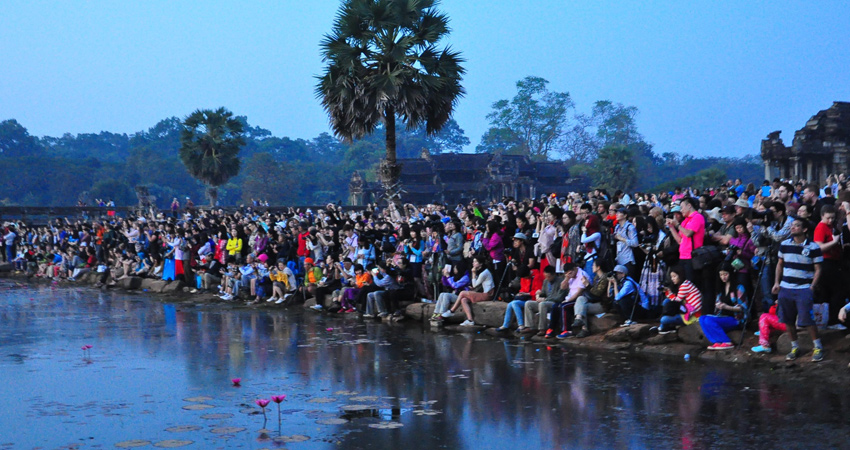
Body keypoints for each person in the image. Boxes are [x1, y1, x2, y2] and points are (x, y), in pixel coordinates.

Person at [772, 218, 824, 362]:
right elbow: (779, 264)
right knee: (787, 320)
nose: (793, 228)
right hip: (785, 288)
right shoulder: (784, 244)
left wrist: (812, 286)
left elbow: (818, 268)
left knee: (807, 319)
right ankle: (794, 347)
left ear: (805, 229)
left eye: (796, 226)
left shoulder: (813, 247)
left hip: (803, 288)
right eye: (792, 226)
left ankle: (818, 347)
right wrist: (777, 282)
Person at [699, 262, 748, 350]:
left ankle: (726, 341)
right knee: (702, 318)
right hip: (722, 316)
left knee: (708, 320)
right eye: (721, 275)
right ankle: (717, 341)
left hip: (736, 319)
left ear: (730, 273)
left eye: (725, 274)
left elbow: (743, 308)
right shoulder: (721, 288)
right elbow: (718, 304)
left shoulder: (738, 287)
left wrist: (727, 307)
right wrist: (718, 305)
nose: (723, 277)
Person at [445, 255, 494, 326]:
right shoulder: (480, 271)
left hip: (487, 295)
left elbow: (475, 285)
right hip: (483, 293)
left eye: (475, 262)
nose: (473, 263)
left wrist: (473, 273)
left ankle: (452, 311)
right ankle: (470, 320)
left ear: (481, 264)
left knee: (462, 293)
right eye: (473, 261)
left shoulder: (484, 273)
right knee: (463, 300)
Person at [522, 265, 567, 335]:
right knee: (528, 303)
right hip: (545, 301)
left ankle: (542, 328)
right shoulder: (545, 281)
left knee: (542, 304)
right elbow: (543, 292)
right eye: (545, 276)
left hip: (553, 303)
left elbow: (559, 298)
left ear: (554, 275)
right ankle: (530, 326)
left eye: (549, 277)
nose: (547, 278)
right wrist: (539, 293)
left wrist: (545, 299)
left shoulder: (561, 282)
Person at [657, 265, 702, 334]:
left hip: (693, 315)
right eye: (671, 277)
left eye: (674, 276)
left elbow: (677, 300)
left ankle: (664, 327)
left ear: (680, 275)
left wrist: (667, 292)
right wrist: (669, 292)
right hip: (687, 308)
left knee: (664, 319)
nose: (672, 279)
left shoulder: (684, 285)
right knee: (666, 301)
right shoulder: (686, 283)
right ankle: (663, 327)